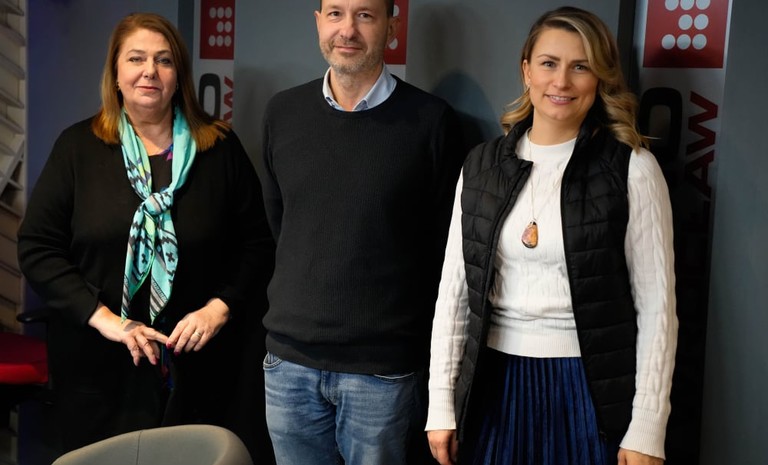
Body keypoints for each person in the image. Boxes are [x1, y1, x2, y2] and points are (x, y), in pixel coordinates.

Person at [425, 6, 678, 465]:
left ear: (599, 78)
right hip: (492, 387)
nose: (561, 81)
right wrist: (441, 403)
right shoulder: (481, 166)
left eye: (580, 66)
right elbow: (454, 293)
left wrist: (647, 426)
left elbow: (658, 309)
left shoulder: (633, 169)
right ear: (527, 71)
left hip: (588, 393)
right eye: (549, 63)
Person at [17, 12, 273, 453]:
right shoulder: (77, 148)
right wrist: (108, 321)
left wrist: (218, 310)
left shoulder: (219, 148)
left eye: (163, 60)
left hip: (204, 370)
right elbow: (37, 248)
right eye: (136, 59)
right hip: (100, 369)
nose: (149, 71)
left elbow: (258, 245)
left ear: (179, 75)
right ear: (116, 74)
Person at [258, 0, 465, 464]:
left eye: (365, 15)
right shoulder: (282, 113)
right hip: (289, 365)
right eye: (335, 13)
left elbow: (443, 253)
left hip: (382, 372)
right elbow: (280, 226)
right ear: (318, 23)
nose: (347, 29)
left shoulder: (431, 121)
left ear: (391, 28)